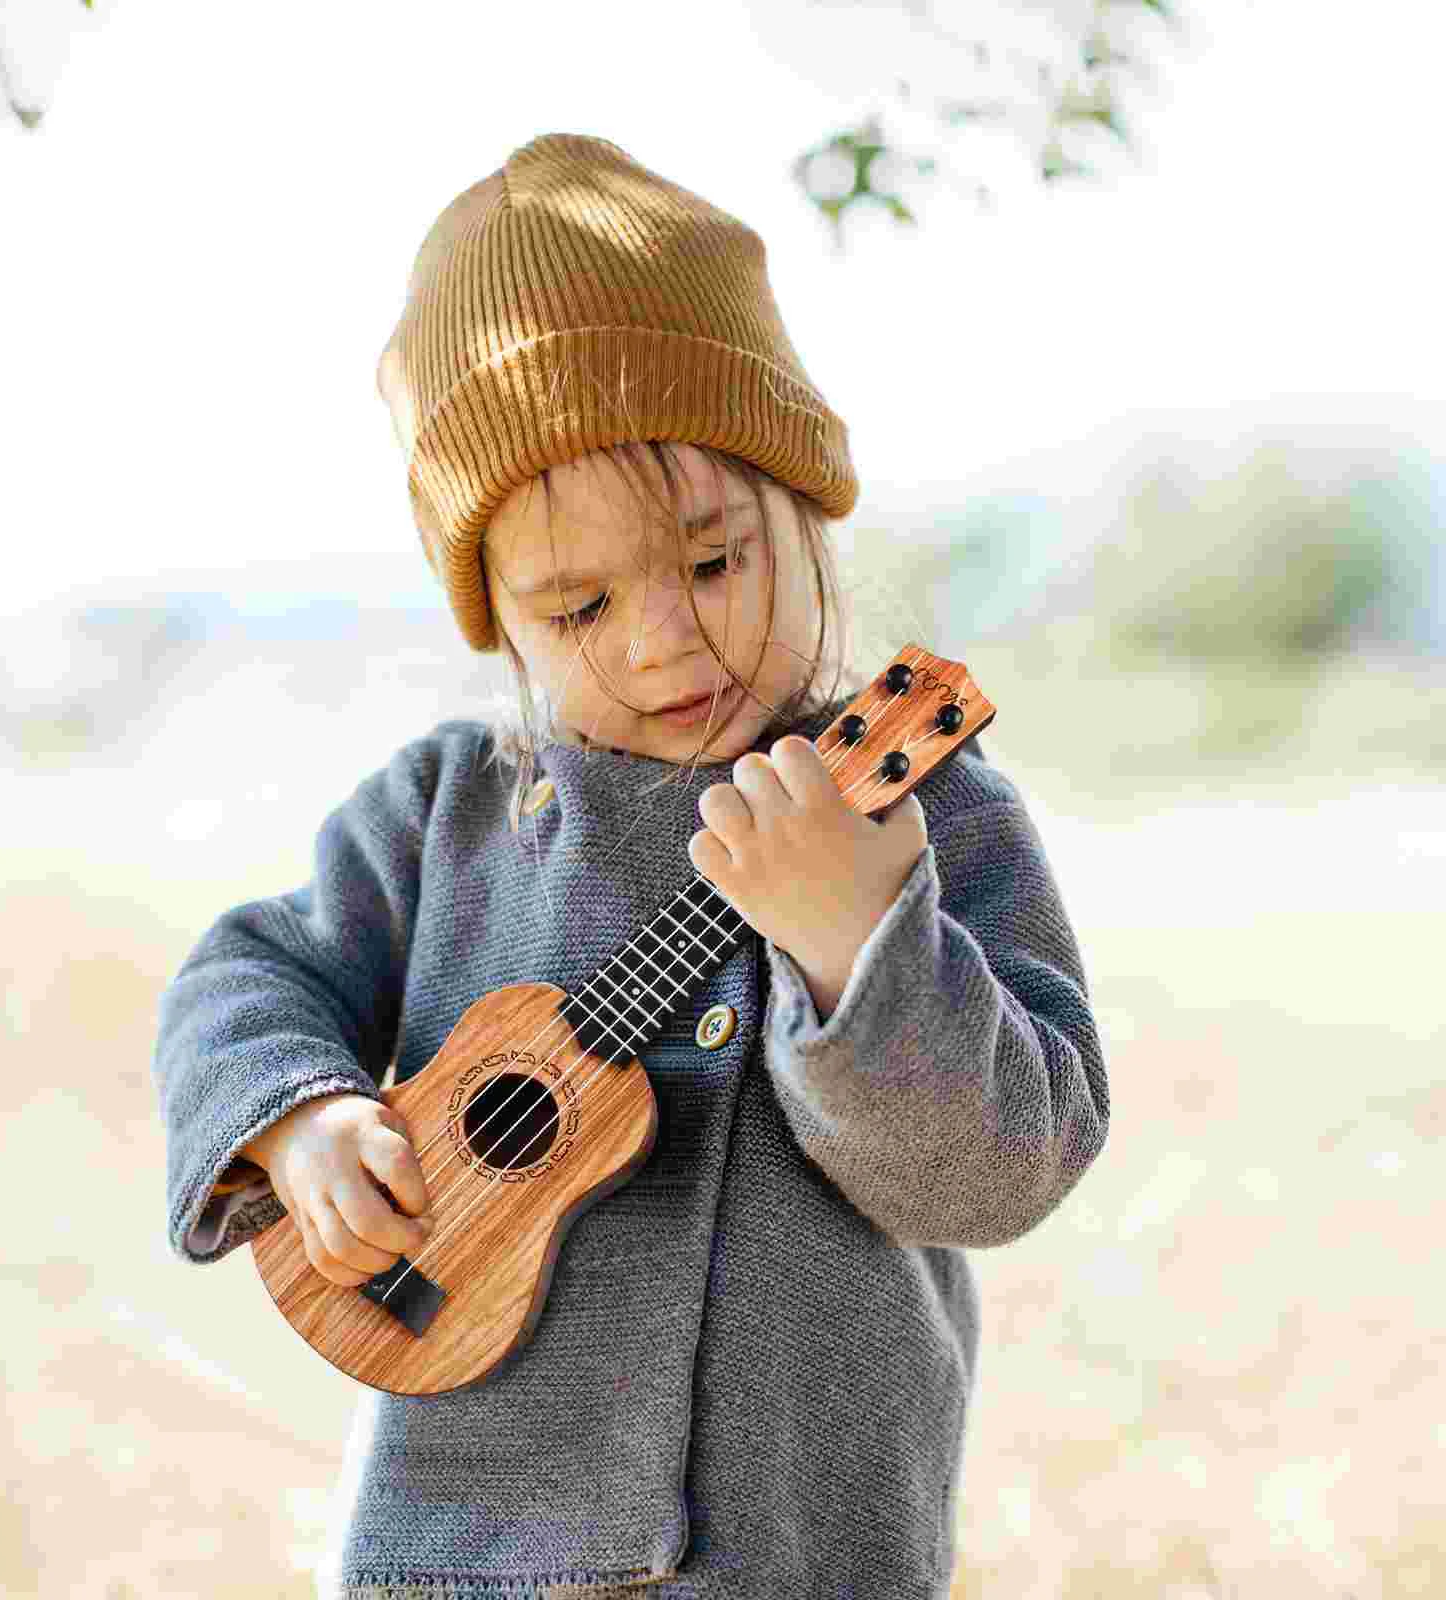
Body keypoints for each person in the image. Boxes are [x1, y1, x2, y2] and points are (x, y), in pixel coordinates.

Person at [151, 131, 1110, 1600]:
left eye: (714, 561)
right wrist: (301, 1118)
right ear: (504, 622)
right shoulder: (448, 812)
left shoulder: (924, 808)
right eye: (578, 604)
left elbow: (1002, 1171)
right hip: (464, 1553)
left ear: (805, 505)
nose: (664, 639)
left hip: (806, 1548)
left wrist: (864, 946)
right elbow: (247, 972)